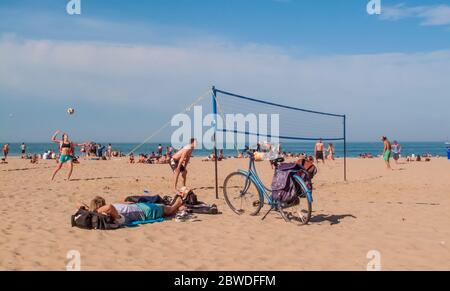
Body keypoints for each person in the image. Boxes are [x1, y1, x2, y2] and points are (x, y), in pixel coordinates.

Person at [82, 190, 187, 226]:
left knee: (162, 207)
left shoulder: (110, 212)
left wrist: (89, 210)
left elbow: (78, 204)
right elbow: (109, 207)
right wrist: (95, 211)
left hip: (140, 207)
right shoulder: (113, 217)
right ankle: (178, 204)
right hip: (146, 211)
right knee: (168, 209)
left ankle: (177, 207)